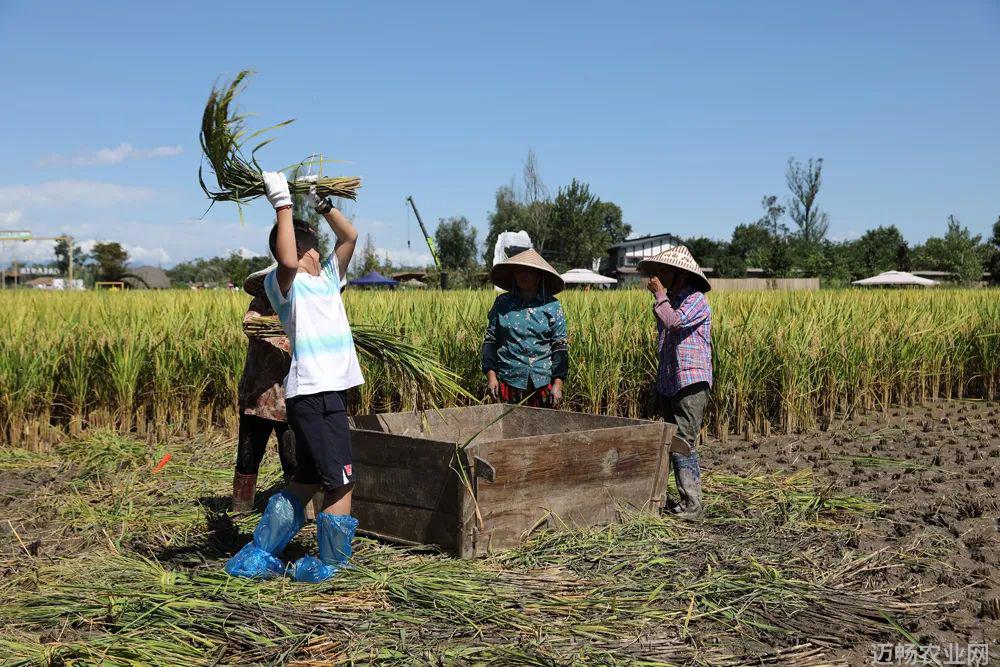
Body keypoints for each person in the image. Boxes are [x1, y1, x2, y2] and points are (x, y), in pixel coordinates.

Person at [225, 171, 363, 582]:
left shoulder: (328, 281)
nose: (321, 253)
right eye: (313, 248)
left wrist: (323, 203)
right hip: (316, 394)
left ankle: (261, 551)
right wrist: (282, 203)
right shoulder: (284, 284)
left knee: (305, 480)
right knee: (340, 483)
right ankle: (332, 565)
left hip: (324, 393)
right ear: (303, 251)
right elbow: (286, 258)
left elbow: (350, 237)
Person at [638, 245, 712, 521]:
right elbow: (663, 346)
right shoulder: (669, 300)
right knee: (670, 442)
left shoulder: (695, 300)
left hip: (691, 381)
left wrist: (659, 295)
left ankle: (693, 505)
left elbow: (673, 323)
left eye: (661, 271)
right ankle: (679, 500)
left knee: (683, 441)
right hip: (671, 381)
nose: (656, 276)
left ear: (677, 273)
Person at [231, 264, 296, 514]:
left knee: (294, 458)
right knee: (248, 457)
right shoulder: (259, 304)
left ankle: (301, 511)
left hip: (289, 398)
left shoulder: (301, 304)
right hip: (257, 398)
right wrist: (287, 327)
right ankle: (240, 508)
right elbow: (251, 325)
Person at [482, 248, 569, 408]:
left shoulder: (552, 306)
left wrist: (558, 384)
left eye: (529, 271)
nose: (524, 275)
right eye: (519, 271)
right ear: (514, 276)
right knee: (510, 428)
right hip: (508, 379)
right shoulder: (502, 303)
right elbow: (490, 341)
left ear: (539, 276)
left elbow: (560, 347)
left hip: (542, 383)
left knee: (541, 429)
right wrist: (491, 376)